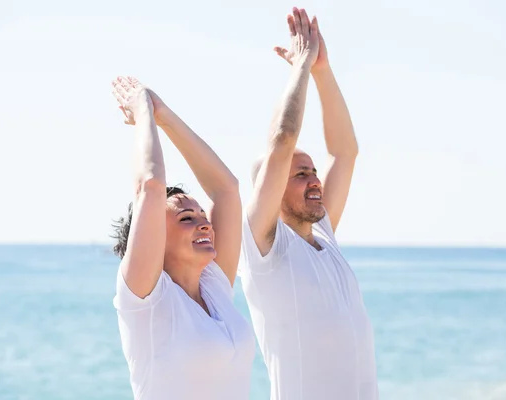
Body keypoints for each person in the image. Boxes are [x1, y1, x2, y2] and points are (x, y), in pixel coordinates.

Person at [240, 8, 379, 400]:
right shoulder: (263, 249)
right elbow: (283, 140)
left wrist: (322, 71)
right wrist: (300, 67)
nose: (315, 180)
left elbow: (345, 152)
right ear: (270, 188)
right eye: (300, 174)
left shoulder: (323, 236)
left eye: (313, 171)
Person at [110, 76, 254, 400]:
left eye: (203, 216)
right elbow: (150, 186)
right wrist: (143, 113)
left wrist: (165, 116)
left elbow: (226, 190)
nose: (205, 225)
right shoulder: (147, 299)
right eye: (187, 219)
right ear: (153, 236)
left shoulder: (214, 286)